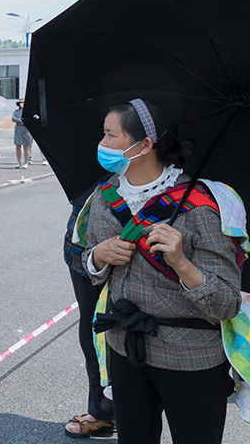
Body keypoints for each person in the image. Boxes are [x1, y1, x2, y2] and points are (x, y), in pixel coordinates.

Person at [80, 99, 242, 444]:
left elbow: (226, 303)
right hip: (125, 350)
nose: (102, 144)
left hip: (192, 357)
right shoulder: (105, 196)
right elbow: (91, 270)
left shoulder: (201, 205)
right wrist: (99, 255)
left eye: (110, 135)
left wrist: (181, 262)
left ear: (145, 145)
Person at [63, 179, 115, 438]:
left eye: (110, 134)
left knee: (119, 333)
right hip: (82, 252)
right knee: (94, 329)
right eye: (104, 134)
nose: (103, 143)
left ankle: (115, 410)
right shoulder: (96, 176)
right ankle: (103, 409)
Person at [12, 99, 32, 168]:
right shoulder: (16, 111)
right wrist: (20, 120)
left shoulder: (28, 112)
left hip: (26, 129)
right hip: (18, 129)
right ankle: (19, 162)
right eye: (21, 103)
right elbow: (13, 118)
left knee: (26, 146)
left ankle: (25, 162)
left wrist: (21, 120)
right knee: (18, 146)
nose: (22, 104)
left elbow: (29, 119)